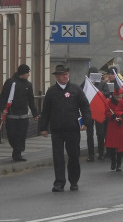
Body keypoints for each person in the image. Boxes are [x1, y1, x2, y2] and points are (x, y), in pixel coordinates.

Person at [38, 63, 92, 192]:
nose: (65, 76)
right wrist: (43, 127)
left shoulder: (75, 89)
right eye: (62, 74)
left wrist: (86, 122)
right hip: (57, 129)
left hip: (72, 128)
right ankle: (59, 182)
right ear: (57, 76)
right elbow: (45, 111)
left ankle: (73, 181)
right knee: (58, 156)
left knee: (73, 155)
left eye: (66, 74)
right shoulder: (51, 92)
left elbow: (85, 106)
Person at [0, 64, 39, 162]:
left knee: (21, 136)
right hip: (12, 115)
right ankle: (16, 149)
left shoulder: (28, 85)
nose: (29, 75)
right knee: (11, 135)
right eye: (27, 73)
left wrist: (35, 114)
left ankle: (18, 154)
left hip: (24, 116)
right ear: (22, 73)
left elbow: (31, 100)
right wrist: (3, 109)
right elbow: (3, 97)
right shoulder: (10, 82)